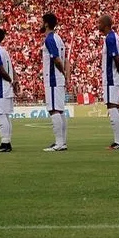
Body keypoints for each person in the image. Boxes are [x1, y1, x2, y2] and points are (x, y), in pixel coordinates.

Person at [41, 13, 69, 152]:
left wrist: (62, 72)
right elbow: (66, 59)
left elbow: (56, 59)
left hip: (52, 78)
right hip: (58, 79)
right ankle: (62, 142)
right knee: (60, 110)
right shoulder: (59, 38)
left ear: (46, 23)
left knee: (54, 110)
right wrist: (65, 76)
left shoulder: (50, 39)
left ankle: (59, 143)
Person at [98, 14, 119, 150]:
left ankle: (118, 142)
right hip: (115, 77)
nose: (98, 25)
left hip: (111, 77)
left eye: (100, 23)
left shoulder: (110, 38)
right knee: (116, 107)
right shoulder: (116, 37)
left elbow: (116, 58)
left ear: (106, 25)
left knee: (112, 106)